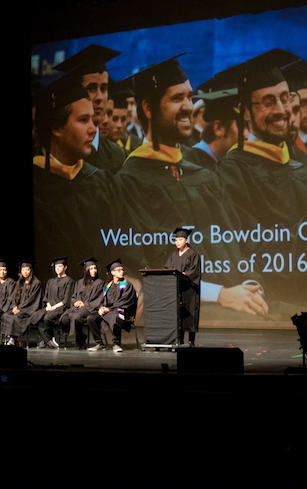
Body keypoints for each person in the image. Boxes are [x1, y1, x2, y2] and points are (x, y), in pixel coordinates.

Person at [113, 55, 269, 318]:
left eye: (189, 96)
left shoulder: (203, 175)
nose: (188, 106)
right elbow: (147, 266)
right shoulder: (128, 183)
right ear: (149, 109)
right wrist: (219, 294)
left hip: (236, 304)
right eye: (177, 99)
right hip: (185, 315)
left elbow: (238, 240)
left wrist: (251, 284)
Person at [210, 49, 307, 307]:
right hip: (278, 305)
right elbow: (253, 255)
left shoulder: (303, 170)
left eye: (285, 98)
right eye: (269, 101)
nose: (283, 109)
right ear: (245, 112)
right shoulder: (231, 175)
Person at [32, 63, 119, 271]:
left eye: (92, 119)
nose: (93, 129)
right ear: (56, 127)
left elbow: (124, 249)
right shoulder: (37, 187)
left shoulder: (103, 182)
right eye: (83, 120)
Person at [54, 44, 127, 174]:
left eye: (104, 89)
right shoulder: (56, 153)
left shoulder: (119, 156)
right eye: (92, 88)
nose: (99, 97)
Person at [87, 259, 138, 353]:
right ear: (112, 272)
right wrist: (101, 308)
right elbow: (103, 299)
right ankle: (99, 343)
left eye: (122, 270)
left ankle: (116, 344)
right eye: (118, 270)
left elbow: (124, 302)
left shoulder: (127, 285)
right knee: (91, 318)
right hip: (108, 311)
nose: (121, 272)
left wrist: (108, 309)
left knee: (114, 316)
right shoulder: (108, 285)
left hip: (121, 312)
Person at [182, 89, 239, 169]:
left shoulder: (221, 164)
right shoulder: (189, 166)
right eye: (242, 127)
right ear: (218, 129)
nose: (247, 135)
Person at [164, 228, 201, 346]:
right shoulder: (173, 254)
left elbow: (195, 271)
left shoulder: (193, 254)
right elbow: (168, 269)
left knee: (190, 314)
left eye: (180, 240)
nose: (177, 242)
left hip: (189, 290)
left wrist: (184, 275)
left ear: (186, 240)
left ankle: (191, 341)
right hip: (176, 289)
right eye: (176, 240)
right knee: (178, 315)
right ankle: (179, 340)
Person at [60, 257, 105, 349]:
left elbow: (100, 299)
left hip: (90, 308)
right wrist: (76, 302)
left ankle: (78, 339)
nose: (94, 271)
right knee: (64, 318)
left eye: (95, 268)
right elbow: (73, 296)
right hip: (78, 307)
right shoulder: (79, 283)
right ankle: (81, 336)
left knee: (76, 317)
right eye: (91, 269)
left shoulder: (100, 283)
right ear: (86, 270)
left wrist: (85, 304)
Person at [31, 257, 75, 349]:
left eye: (60, 266)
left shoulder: (69, 281)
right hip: (50, 307)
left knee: (47, 317)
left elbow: (66, 300)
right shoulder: (50, 281)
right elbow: (46, 297)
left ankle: (47, 339)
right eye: (56, 266)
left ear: (65, 267)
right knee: (36, 316)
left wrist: (54, 307)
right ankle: (48, 340)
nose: (57, 268)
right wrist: (48, 305)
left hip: (61, 308)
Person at [1, 260, 42, 346]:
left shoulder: (36, 283)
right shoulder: (19, 282)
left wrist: (20, 309)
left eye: (27, 270)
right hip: (18, 308)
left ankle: (13, 338)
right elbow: (14, 296)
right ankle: (7, 338)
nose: (25, 272)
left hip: (28, 309)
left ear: (30, 270)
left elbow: (32, 300)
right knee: (5, 315)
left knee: (16, 317)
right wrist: (14, 306)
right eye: (23, 270)